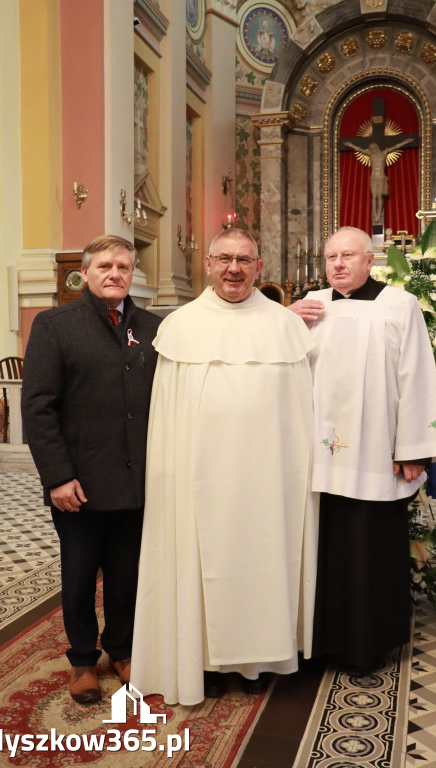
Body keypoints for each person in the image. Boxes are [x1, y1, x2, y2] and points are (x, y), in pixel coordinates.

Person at [130, 227, 318, 706]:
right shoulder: (180, 327)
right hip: (198, 480)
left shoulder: (284, 325)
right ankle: (205, 663)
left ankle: (259, 660)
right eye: (224, 258)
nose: (234, 268)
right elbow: (167, 418)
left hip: (268, 481)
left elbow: (301, 413)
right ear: (208, 264)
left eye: (244, 259)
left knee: (264, 560)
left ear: (259, 266)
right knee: (196, 561)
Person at [290, 226, 436, 671]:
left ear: (369, 260)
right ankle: (317, 642)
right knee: (322, 548)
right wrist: (284, 320)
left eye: (348, 255)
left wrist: (414, 448)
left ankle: (369, 643)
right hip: (316, 458)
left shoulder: (398, 305)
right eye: (330, 257)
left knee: (369, 546)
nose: (338, 264)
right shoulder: (310, 307)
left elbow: (417, 376)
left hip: (376, 453)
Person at [21, 234, 161, 704]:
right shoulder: (55, 324)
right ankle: (83, 658)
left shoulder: (153, 326)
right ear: (87, 271)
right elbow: (39, 407)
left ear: (133, 272)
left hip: (135, 482)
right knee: (79, 575)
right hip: (77, 484)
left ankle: (122, 649)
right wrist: (57, 476)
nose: (114, 274)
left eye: (123, 266)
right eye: (105, 266)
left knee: (126, 574)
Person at [344, 138, 413, 223]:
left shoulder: (384, 153)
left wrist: (405, 142)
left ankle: (379, 214)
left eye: (372, 148)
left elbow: (396, 147)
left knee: (379, 196)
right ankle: (375, 214)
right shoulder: (370, 154)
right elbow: (360, 150)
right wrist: (351, 145)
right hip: (373, 177)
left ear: (376, 147)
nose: (371, 150)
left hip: (381, 177)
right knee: (374, 196)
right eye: (370, 149)